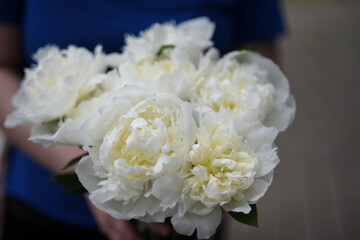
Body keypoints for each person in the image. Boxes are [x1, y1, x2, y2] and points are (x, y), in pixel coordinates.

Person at [0, 0, 286, 239]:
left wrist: (214, 189)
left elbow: (265, 86)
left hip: (181, 218)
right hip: (43, 211)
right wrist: (92, 174)